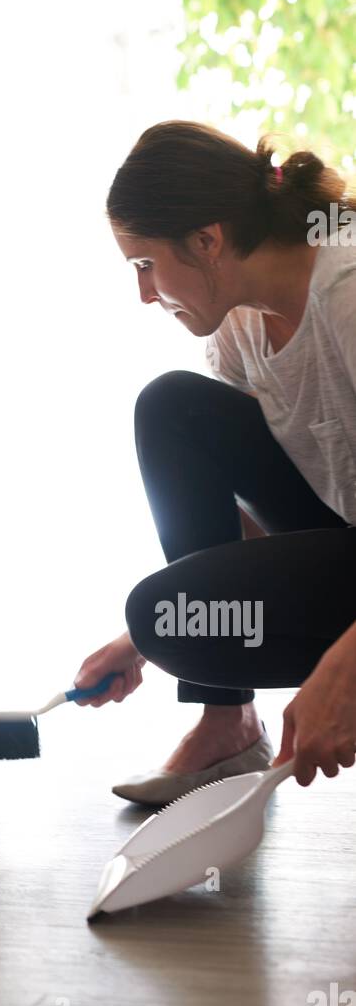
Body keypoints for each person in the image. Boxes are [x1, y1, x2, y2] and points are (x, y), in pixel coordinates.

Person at [74, 120, 356, 802]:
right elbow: (253, 521)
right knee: (171, 405)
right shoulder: (237, 327)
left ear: (207, 240)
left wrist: (343, 672)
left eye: (144, 264)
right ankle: (225, 719)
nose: (143, 293)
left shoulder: (345, 290)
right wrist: (155, 634)